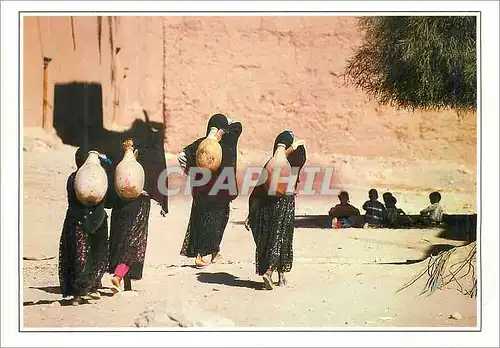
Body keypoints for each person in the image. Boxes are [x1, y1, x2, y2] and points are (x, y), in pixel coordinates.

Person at [178, 114, 243, 268]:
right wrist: (222, 128)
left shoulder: (200, 144)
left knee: (215, 221)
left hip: (204, 193)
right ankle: (200, 255)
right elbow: (237, 126)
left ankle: (214, 252)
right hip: (219, 194)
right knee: (210, 222)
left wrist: (189, 172)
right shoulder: (227, 143)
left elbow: (182, 157)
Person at [245, 130, 306, 290]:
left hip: (270, 203)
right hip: (286, 203)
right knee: (282, 238)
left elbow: (258, 189)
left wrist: (251, 213)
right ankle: (273, 273)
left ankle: (279, 275)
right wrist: (294, 146)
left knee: (274, 236)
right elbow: (301, 154)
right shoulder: (293, 163)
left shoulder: (273, 163)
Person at [108, 136, 167, 293]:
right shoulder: (148, 156)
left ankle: (126, 283)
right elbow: (159, 173)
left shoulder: (118, 157)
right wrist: (162, 201)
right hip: (140, 203)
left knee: (121, 238)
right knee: (134, 241)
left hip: (120, 204)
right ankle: (119, 275)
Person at [58, 147, 109, 304]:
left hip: (76, 220)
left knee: (77, 253)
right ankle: (91, 286)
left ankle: (78, 290)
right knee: (95, 252)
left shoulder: (72, 178)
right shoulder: (100, 178)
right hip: (98, 220)